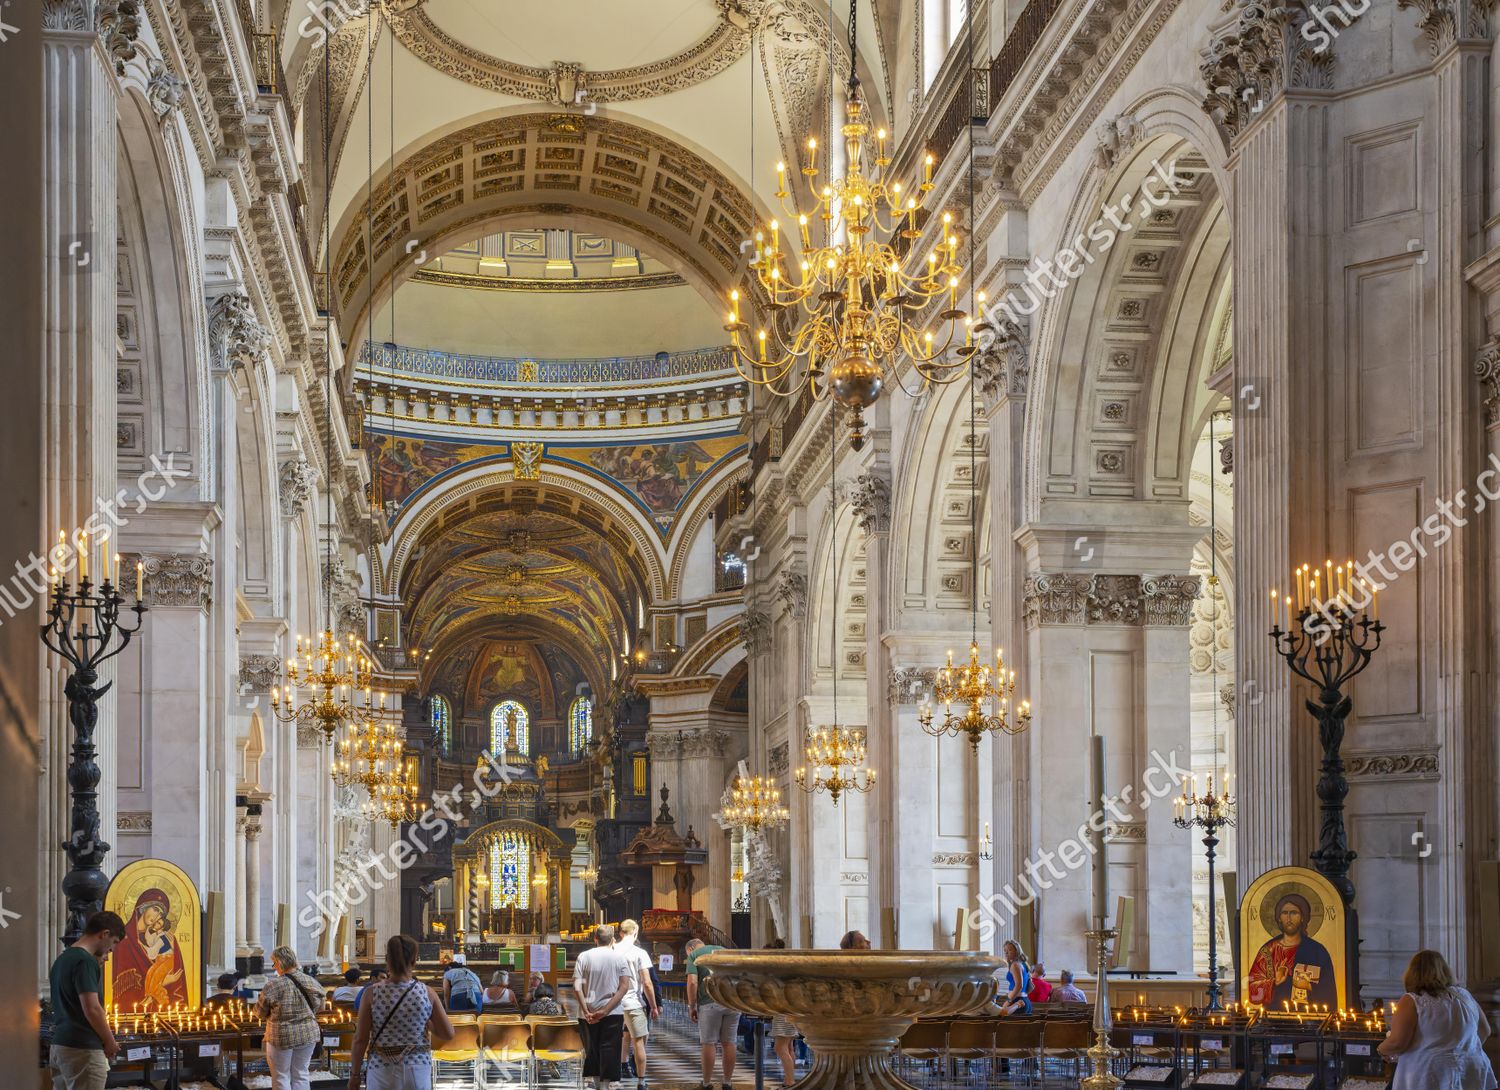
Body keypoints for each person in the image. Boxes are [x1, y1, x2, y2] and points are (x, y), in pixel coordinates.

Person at [348, 934, 455, 1090]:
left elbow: (360, 1039)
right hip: (417, 1067)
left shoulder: (371, 993)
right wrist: (427, 1021)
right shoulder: (427, 993)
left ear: (387, 960)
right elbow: (448, 1033)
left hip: (381, 1067)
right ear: (414, 960)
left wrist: (355, 1075)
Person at [1378, 949, 1497, 1089]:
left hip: (1430, 1073)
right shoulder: (1464, 995)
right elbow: (1485, 1030)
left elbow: (1397, 1042)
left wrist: (1380, 1049)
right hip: (1471, 1068)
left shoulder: (1413, 1000)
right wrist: (1464, 1049)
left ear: (1413, 973)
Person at [48, 911, 126, 1090]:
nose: (112, 950)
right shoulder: (85, 960)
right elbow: (92, 1008)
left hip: (60, 1046)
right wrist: (110, 1041)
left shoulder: (62, 960)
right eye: (114, 942)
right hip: (83, 1049)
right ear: (104, 934)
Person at [1246, 893, 1338, 1008]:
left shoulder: (1317, 951)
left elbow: (1329, 992)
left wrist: (1307, 986)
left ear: (1303, 917)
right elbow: (1252, 991)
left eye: (1294, 913)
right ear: (1279, 917)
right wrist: (1274, 982)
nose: (1288, 918)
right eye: (1284, 913)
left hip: (1308, 1020)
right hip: (1273, 1019)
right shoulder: (1268, 950)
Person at [255, 945, 327, 1090]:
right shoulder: (312, 981)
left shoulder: (273, 985)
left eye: (274, 963)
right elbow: (322, 1007)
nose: (274, 967)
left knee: (281, 1076)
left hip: (281, 1036)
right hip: (308, 1035)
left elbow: (259, 1013)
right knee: (301, 1074)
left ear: (280, 962)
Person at [574, 924, 634, 1090]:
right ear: (613, 940)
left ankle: (593, 1081)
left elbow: (577, 987)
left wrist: (586, 1011)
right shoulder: (619, 958)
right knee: (610, 1048)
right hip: (613, 1012)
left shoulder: (583, 956)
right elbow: (624, 987)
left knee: (591, 1048)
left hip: (586, 1013)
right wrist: (606, 1010)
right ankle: (608, 1085)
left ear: (595, 939)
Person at [111, 888, 190, 1010]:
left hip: (162, 1012)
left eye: (161, 914)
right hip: (131, 1014)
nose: (156, 916)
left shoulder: (168, 939)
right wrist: (161, 983)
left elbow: (177, 984)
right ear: (143, 906)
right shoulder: (124, 939)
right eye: (155, 909)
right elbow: (121, 990)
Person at [686, 937, 737, 1090]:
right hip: (733, 1002)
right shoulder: (727, 951)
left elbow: (692, 982)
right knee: (729, 1042)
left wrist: (691, 1005)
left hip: (710, 1002)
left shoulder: (694, 955)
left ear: (690, 949)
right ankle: (727, 1083)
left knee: (709, 1042)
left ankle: (707, 1084)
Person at [615, 919, 658, 1090]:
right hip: (633, 1002)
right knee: (638, 1041)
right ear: (635, 932)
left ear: (620, 933)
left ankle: (612, 1078)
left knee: (613, 1040)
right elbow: (647, 983)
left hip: (613, 1003)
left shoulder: (611, 949)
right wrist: (653, 1006)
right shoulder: (640, 952)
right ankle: (641, 1081)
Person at [764, 940, 798, 1088]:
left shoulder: (776, 970)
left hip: (782, 1011)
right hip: (790, 1010)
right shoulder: (786, 967)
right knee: (789, 1047)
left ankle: (790, 1081)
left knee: (780, 1047)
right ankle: (789, 1079)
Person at [995, 940, 1033, 1016]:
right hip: (1025, 1000)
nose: (1006, 953)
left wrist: (1008, 1001)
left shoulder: (1015, 965)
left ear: (1017, 951)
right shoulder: (1022, 964)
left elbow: (1019, 986)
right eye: (1005, 950)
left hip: (1017, 1001)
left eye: (1009, 950)